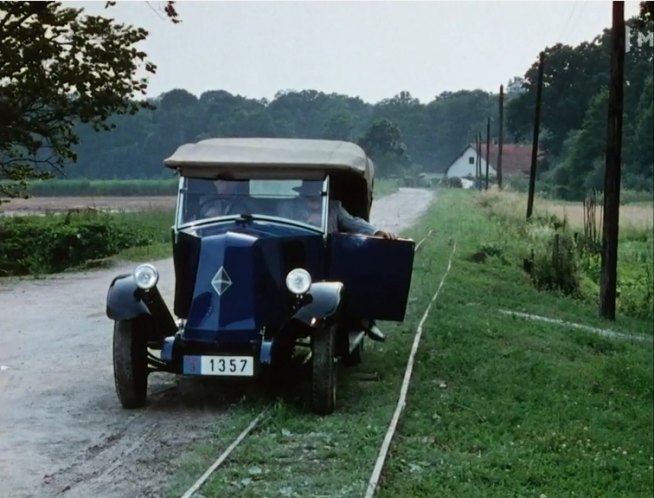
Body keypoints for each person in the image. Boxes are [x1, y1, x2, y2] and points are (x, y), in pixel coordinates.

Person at [299, 181, 395, 341]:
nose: (312, 199)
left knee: (351, 282)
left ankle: (366, 321)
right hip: (299, 261)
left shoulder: (333, 208)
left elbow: (353, 222)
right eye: (308, 194)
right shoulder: (292, 208)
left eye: (315, 193)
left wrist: (377, 231)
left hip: (327, 260)